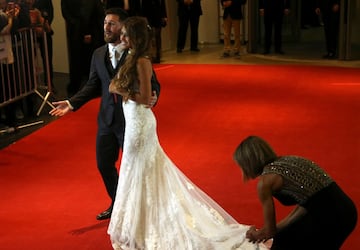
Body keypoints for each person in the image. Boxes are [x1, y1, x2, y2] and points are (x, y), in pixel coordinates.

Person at [106, 16, 269, 250]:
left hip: (140, 123)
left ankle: (147, 224)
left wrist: (121, 90)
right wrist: (120, 86)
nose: (121, 38)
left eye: (125, 35)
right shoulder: (130, 56)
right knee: (135, 169)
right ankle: (137, 222)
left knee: (141, 169)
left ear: (136, 37)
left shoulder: (142, 61)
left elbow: (144, 97)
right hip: (132, 121)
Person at [49, 8, 161, 221]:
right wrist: (71, 103)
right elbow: (92, 85)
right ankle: (119, 204)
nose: (106, 28)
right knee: (103, 164)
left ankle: (142, 210)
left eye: (112, 24)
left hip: (132, 120)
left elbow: (153, 84)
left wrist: (154, 96)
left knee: (136, 168)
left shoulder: (135, 53)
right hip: (107, 120)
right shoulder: (98, 54)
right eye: (105, 23)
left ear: (123, 27)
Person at [233, 135, 357, 250]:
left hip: (330, 218)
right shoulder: (291, 160)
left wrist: (256, 234)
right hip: (347, 212)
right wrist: (277, 229)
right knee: (286, 236)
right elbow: (307, 202)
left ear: (248, 163)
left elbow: (269, 232)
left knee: (284, 243)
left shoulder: (265, 182)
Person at [61, 0, 105, 97]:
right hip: (82, 34)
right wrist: (86, 32)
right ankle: (83, 89)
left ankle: (80, 89)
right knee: (81, 62)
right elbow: (87, 13)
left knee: (83, 62)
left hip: (81, 33)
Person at [33, 0, 54, 92]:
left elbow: (50, 14)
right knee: (30, 61)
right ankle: (33, 85)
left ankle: (49, 84)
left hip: (45, 32)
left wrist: (45, 26)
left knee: (47, 60)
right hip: (31, 34)